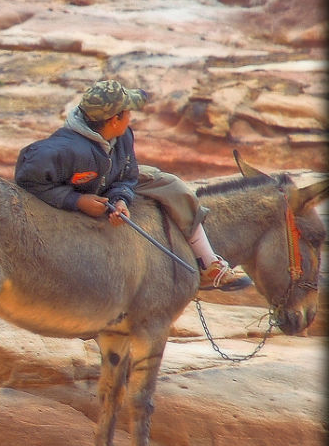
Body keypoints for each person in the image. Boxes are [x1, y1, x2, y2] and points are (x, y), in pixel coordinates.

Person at [14, 79, 252, 291]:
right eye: (128, 112)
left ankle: (209, 264)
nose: (131, 117)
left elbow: (128, 175)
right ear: (114, 119)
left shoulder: (123, 135)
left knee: (172, 185)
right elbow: (27, 182)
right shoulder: (58, 151)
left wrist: (121, 199)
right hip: (74, 193)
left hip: (106, 183)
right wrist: (75, 200)